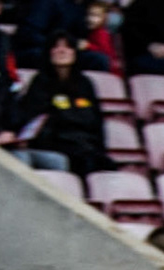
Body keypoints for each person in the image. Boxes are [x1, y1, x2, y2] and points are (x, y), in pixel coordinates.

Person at [17, 33, 113, 175]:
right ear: (49, 52)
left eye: (68, 47)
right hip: (56, 145)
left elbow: (96, 121)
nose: (62, 51)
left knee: (105, 165)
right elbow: (37, 119)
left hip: (86, 145)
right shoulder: (40, 82)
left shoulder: (85, 83)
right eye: (56, 47)